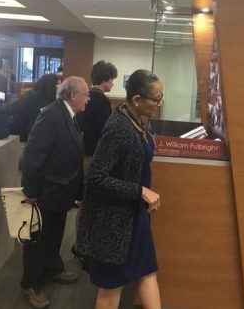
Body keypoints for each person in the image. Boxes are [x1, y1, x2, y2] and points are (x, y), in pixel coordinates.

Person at [77, 69, 163, 309]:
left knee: (147, 272)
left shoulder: (136, 122)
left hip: (134, 217)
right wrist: (140, 191)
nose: (159, 104)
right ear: (137, 100)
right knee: (111, 286)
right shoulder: (118, 127)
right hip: (113, 222)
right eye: (156, 99)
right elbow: (95, 178)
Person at [20, 76, 89, 309]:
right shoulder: (51, 114)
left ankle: (51, 269)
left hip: (62, 190)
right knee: (38, 240)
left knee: (54, 235)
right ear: (73, 96)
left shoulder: (68, 114)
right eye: (85, 95)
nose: (87, 100)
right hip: (47, 190)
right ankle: (31, 284)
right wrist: (30, 190)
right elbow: (33, 154)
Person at [77, 60, 118, 171]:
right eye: (112, 80)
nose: (113, 83)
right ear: (104, 80)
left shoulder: (86, 96)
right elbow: (105, 129)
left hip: (81, 149)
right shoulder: (103, 101)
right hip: (94, 152)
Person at [8, 73, 61, 142]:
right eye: (57, 84)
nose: (60, 86)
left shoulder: (53, 99)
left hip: (39, 134)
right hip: (25, 134)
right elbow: (13, 108)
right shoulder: (32, 96)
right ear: (49, 85)